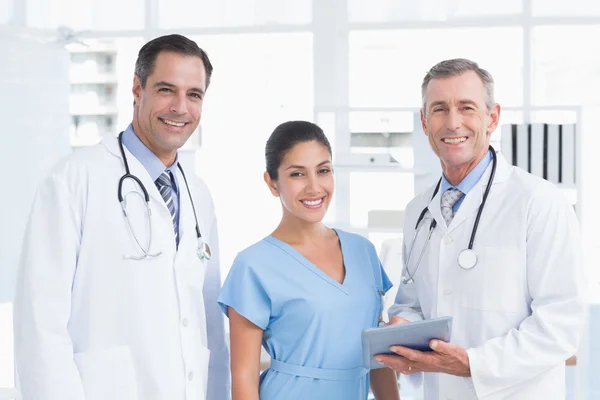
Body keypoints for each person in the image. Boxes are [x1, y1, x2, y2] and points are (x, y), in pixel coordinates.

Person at [13, 34, 229, 400]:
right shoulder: (73, 181)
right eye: (166, 90)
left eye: (194, 94)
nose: (180, 107)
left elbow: (207, 323)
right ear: (136, 88)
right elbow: (39, 325)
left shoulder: (198, 195)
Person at [376, 58, 586, 399]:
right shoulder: (418, 211)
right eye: (440, 109)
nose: (453, 122)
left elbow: (561, 324)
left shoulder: (539, 201)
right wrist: (402, 327)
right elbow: (412, 300)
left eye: (466, 107)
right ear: (424, 121)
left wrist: (473, 364)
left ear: (492, 117)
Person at [217, 121, 400, 400]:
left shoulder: (362, 251)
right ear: (272, 182)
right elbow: (243, 378)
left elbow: (378, 355)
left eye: (323, 171)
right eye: (297, 174)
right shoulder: (253, 265)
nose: (314, 187)